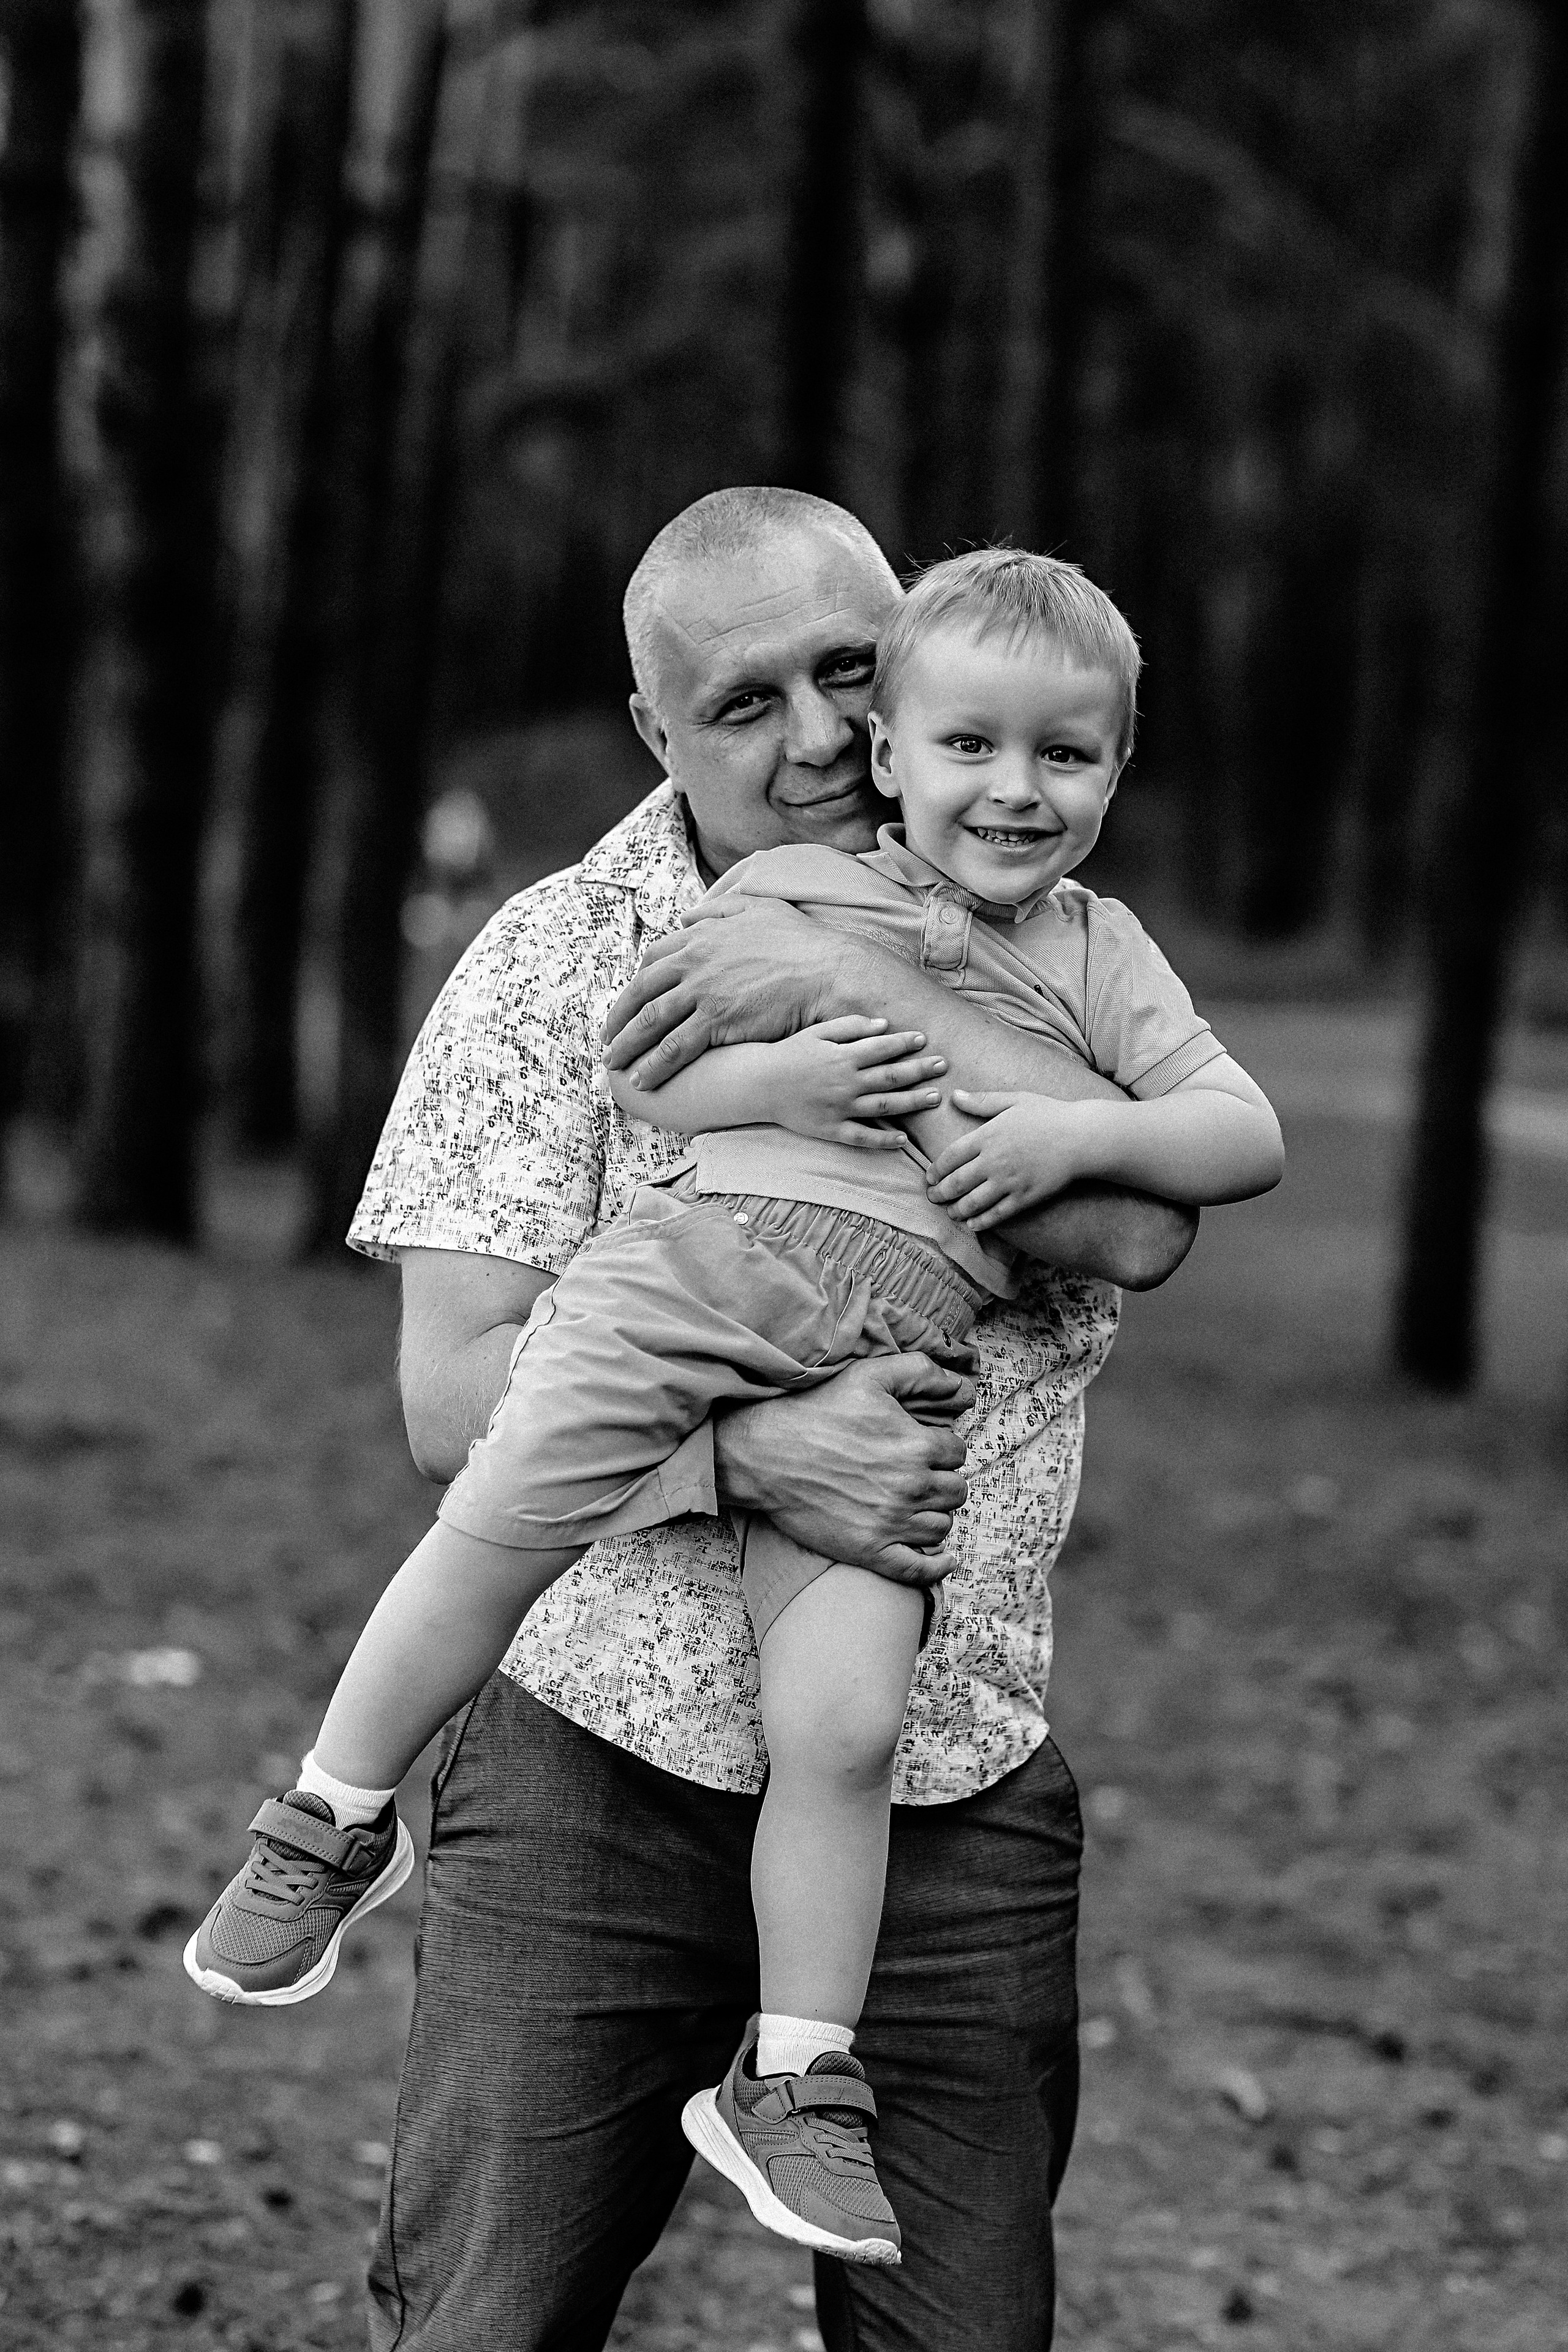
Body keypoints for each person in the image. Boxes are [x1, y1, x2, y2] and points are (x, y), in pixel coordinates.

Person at [189, 543, 1283, 2275]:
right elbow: (449, 1403)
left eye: (851, 674)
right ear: (651, 724)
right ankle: (329, 1813)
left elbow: (1146, 1220)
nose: (822, 737)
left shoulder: (1046, 929)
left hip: (945, 1762)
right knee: (494, 2303)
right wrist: (755, 1457)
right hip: (590, 1778)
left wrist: (884, 1006)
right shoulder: (559, 954)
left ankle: (797, 2071)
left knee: (959, 2315)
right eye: (742, 703)